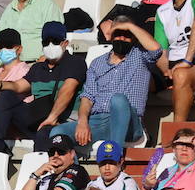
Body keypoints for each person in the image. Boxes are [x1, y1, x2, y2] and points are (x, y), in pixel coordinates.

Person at [51, 17, 162, 151]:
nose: (121, 38)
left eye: (127, 35)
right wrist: (82, 121)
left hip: (129, 121)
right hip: (99, 121)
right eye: (118, 34)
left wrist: (129, 26)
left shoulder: (140, 56)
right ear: (111, 36)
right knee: (58, 132)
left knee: (118, 100)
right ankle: (73, 169)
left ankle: (115, 155)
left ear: (133, 37)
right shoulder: (97, 63)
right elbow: (88, 97)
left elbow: (156, 50)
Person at [0, 22, 86, 155]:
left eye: (55, 41)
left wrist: (52, 117)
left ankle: (41, 172)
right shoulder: (38, 68)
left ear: (65, 43)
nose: (50, 46)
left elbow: (68, 90)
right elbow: (19, 85)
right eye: (46, 42)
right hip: (38, 117)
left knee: (44, 134)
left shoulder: (75, 62)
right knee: (6, 94)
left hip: (62, 120)